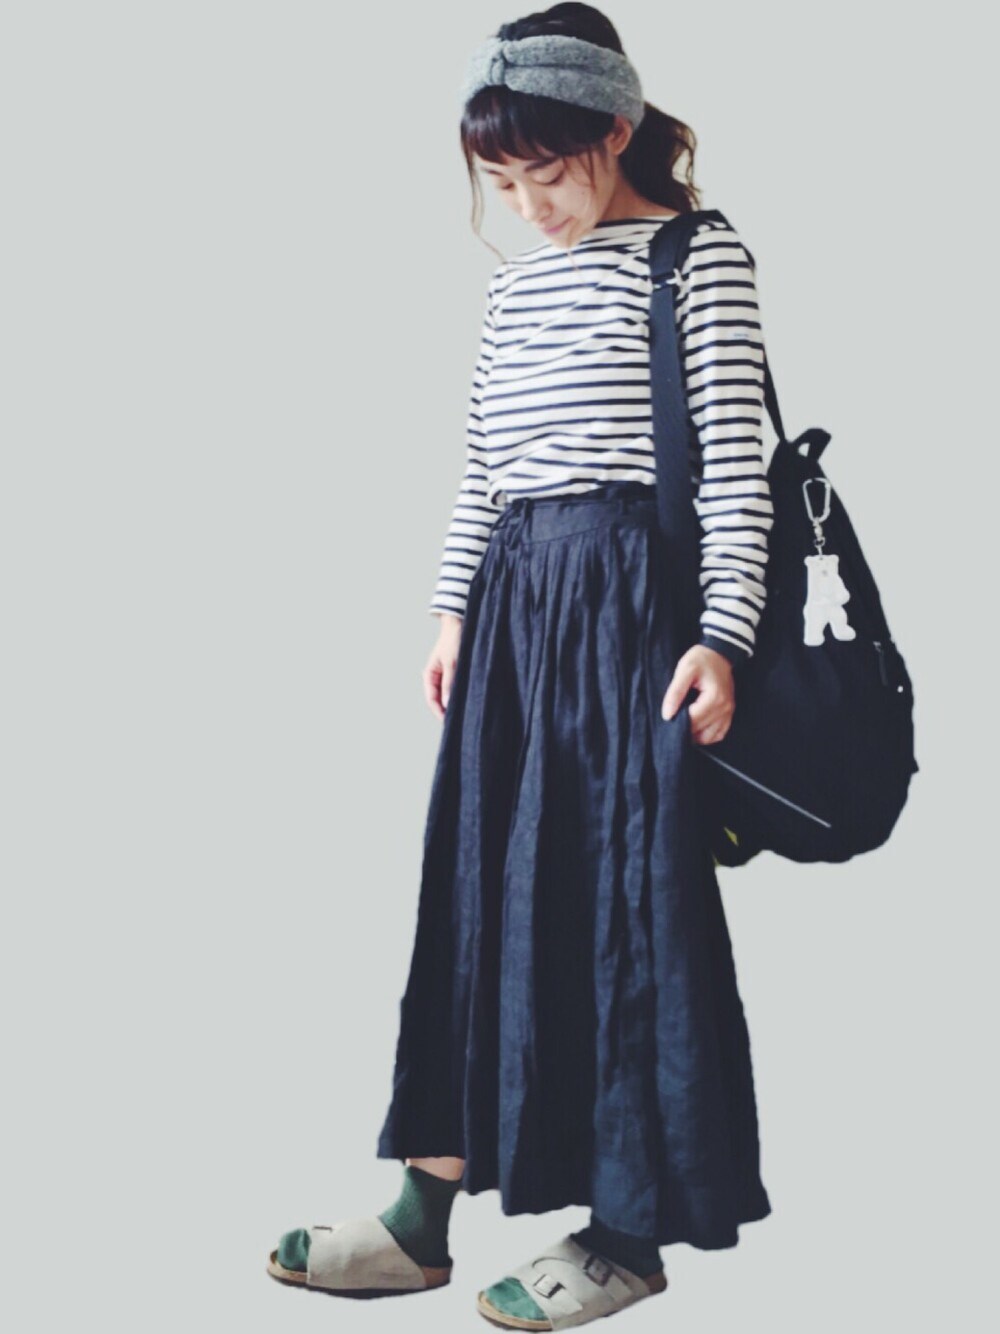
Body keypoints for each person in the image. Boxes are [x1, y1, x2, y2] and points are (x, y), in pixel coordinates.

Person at [266, 4, 776, 1326]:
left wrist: (723, 635)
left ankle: (627, 1234)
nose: (530, 205)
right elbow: (485, 469)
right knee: (477, 894)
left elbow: (738, 469)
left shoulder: (696, 259)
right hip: (513, 613)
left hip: (634, 618)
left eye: (548, 171)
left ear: (618, 128)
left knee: (624, 914)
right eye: (502, 182)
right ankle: (420, 1219)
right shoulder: (513, 287)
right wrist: (452, 610)